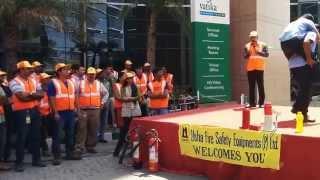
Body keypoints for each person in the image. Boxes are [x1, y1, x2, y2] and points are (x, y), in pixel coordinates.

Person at [9, 61, 45, 172]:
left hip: (34, 110)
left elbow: (42, 94)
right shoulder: (14, 82)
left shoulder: (34, 80)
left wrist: (29, 94)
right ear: (21, 70)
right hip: (21, 112)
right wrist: (34, 95)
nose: (30, 70)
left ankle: (36, 160)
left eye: (30, 68)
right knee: (22, 137)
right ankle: (19, 163)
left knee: (36, 136)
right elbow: (21, 98)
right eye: (28, 69)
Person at [48, 63, 81, 166]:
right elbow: (51, 98)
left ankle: (69, 153)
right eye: (65, 69)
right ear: (59, 71)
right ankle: (56, 156)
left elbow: (75, 97)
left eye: (68, 69)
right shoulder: (53, 82)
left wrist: (78, 109)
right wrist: (55, 112)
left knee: (70, 134)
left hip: (70, 112)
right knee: (57, 134)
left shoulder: (71, 82)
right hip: (60, 113)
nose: (68, 71)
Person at [75, 67, 108, 154]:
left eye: (93, 74)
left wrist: (102, 103)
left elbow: (106, 93)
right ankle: (80, 147)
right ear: (87, 75)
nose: (91, 76)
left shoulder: (98, 84)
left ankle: (90, 146)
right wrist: (77, 108)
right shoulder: (80, 83)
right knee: (82, 128)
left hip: (95, 110)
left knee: (93, 128)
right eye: (89, 74)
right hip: (83, 109)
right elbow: (76, 95)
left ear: (95, 75)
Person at [288, 31, 318, 123]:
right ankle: (297, 108)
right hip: (302, 65)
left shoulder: (299, 35)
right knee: (306, 89)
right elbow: (306, 42)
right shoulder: (312, 32)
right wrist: (309, 59)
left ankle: (302, 115)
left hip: (294, 65)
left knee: (305, 89)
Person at [113, 72, 141, 157]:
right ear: (126, 79)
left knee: (135, 130)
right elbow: (122, 98)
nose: (130, 80)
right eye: (129, 78)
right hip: (126, 110)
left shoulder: (135, 87)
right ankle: (117, 152)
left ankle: (134, 151)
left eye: (131, 78)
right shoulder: (123, 87)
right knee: (124, 131)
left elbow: (138, 97)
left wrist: (130, 98)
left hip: (135, 110)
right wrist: (132, 98)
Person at [244, 31, 269, 108]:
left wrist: (259, 52)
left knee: (260, 85)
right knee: (251, 86)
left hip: (259, 68)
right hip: (250, 68)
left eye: (254, 37)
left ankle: (261, 103)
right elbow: (245, 57)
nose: (253, 39)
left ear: (257, 37)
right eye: (251, 37)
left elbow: (267, 54)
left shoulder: (263, 44)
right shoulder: (247, 46)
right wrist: (248, 53)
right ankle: (252, 103)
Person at [97, 65, 116, 142]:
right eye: (101, 73)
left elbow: (112, 89)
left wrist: (111, 79)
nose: (103, 74)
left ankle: (102, 137)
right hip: (98, 102)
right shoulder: (96, 82)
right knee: (97, 121)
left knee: (104, 120)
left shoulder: (108, 80)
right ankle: (96, 136)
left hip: (106, 101)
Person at [38, 73, 52, 157]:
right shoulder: (38, 90)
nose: (48, 80)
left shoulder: (49, 89)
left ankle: (49, 148)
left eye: (48, 78)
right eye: (46, 79)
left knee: (50, 132)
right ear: (42, 80)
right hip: (40, 115)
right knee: (42, 133)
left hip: (49, 113)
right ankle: (45, 149)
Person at [0, 70, 11, 171]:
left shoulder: (3, 87)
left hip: (2, 118)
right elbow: (5, 100)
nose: (2, 78)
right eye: (1, 76)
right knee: (1, 141)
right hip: (1, 119)